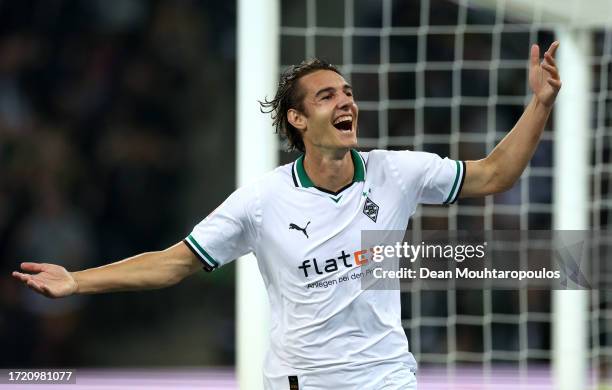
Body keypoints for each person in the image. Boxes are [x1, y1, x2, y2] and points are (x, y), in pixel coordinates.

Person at [12, 41, 561, 389]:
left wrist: (538, 104)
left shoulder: (399, 172)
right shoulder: (261, 201)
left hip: (386, 375)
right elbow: (175, 262)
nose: (346, 102)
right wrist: (77, 281)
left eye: (347, 92)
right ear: (298, 118)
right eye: (327, 96)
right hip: (302, 381)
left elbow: (493, 174)